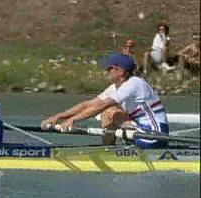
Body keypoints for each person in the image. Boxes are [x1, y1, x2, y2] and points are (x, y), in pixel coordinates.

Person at [41, 53, 169, 148]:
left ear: (121, 71)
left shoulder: (134, 83)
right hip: (140, 132)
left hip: (154, 135)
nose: (106, 71)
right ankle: (108, 149)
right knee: (106, 111)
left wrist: (73, 120)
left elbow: (101, 106)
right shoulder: (115, 88)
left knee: (108, 110)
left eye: (109, 68)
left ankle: (109, 151)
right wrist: (58, 117)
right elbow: (89, 104)